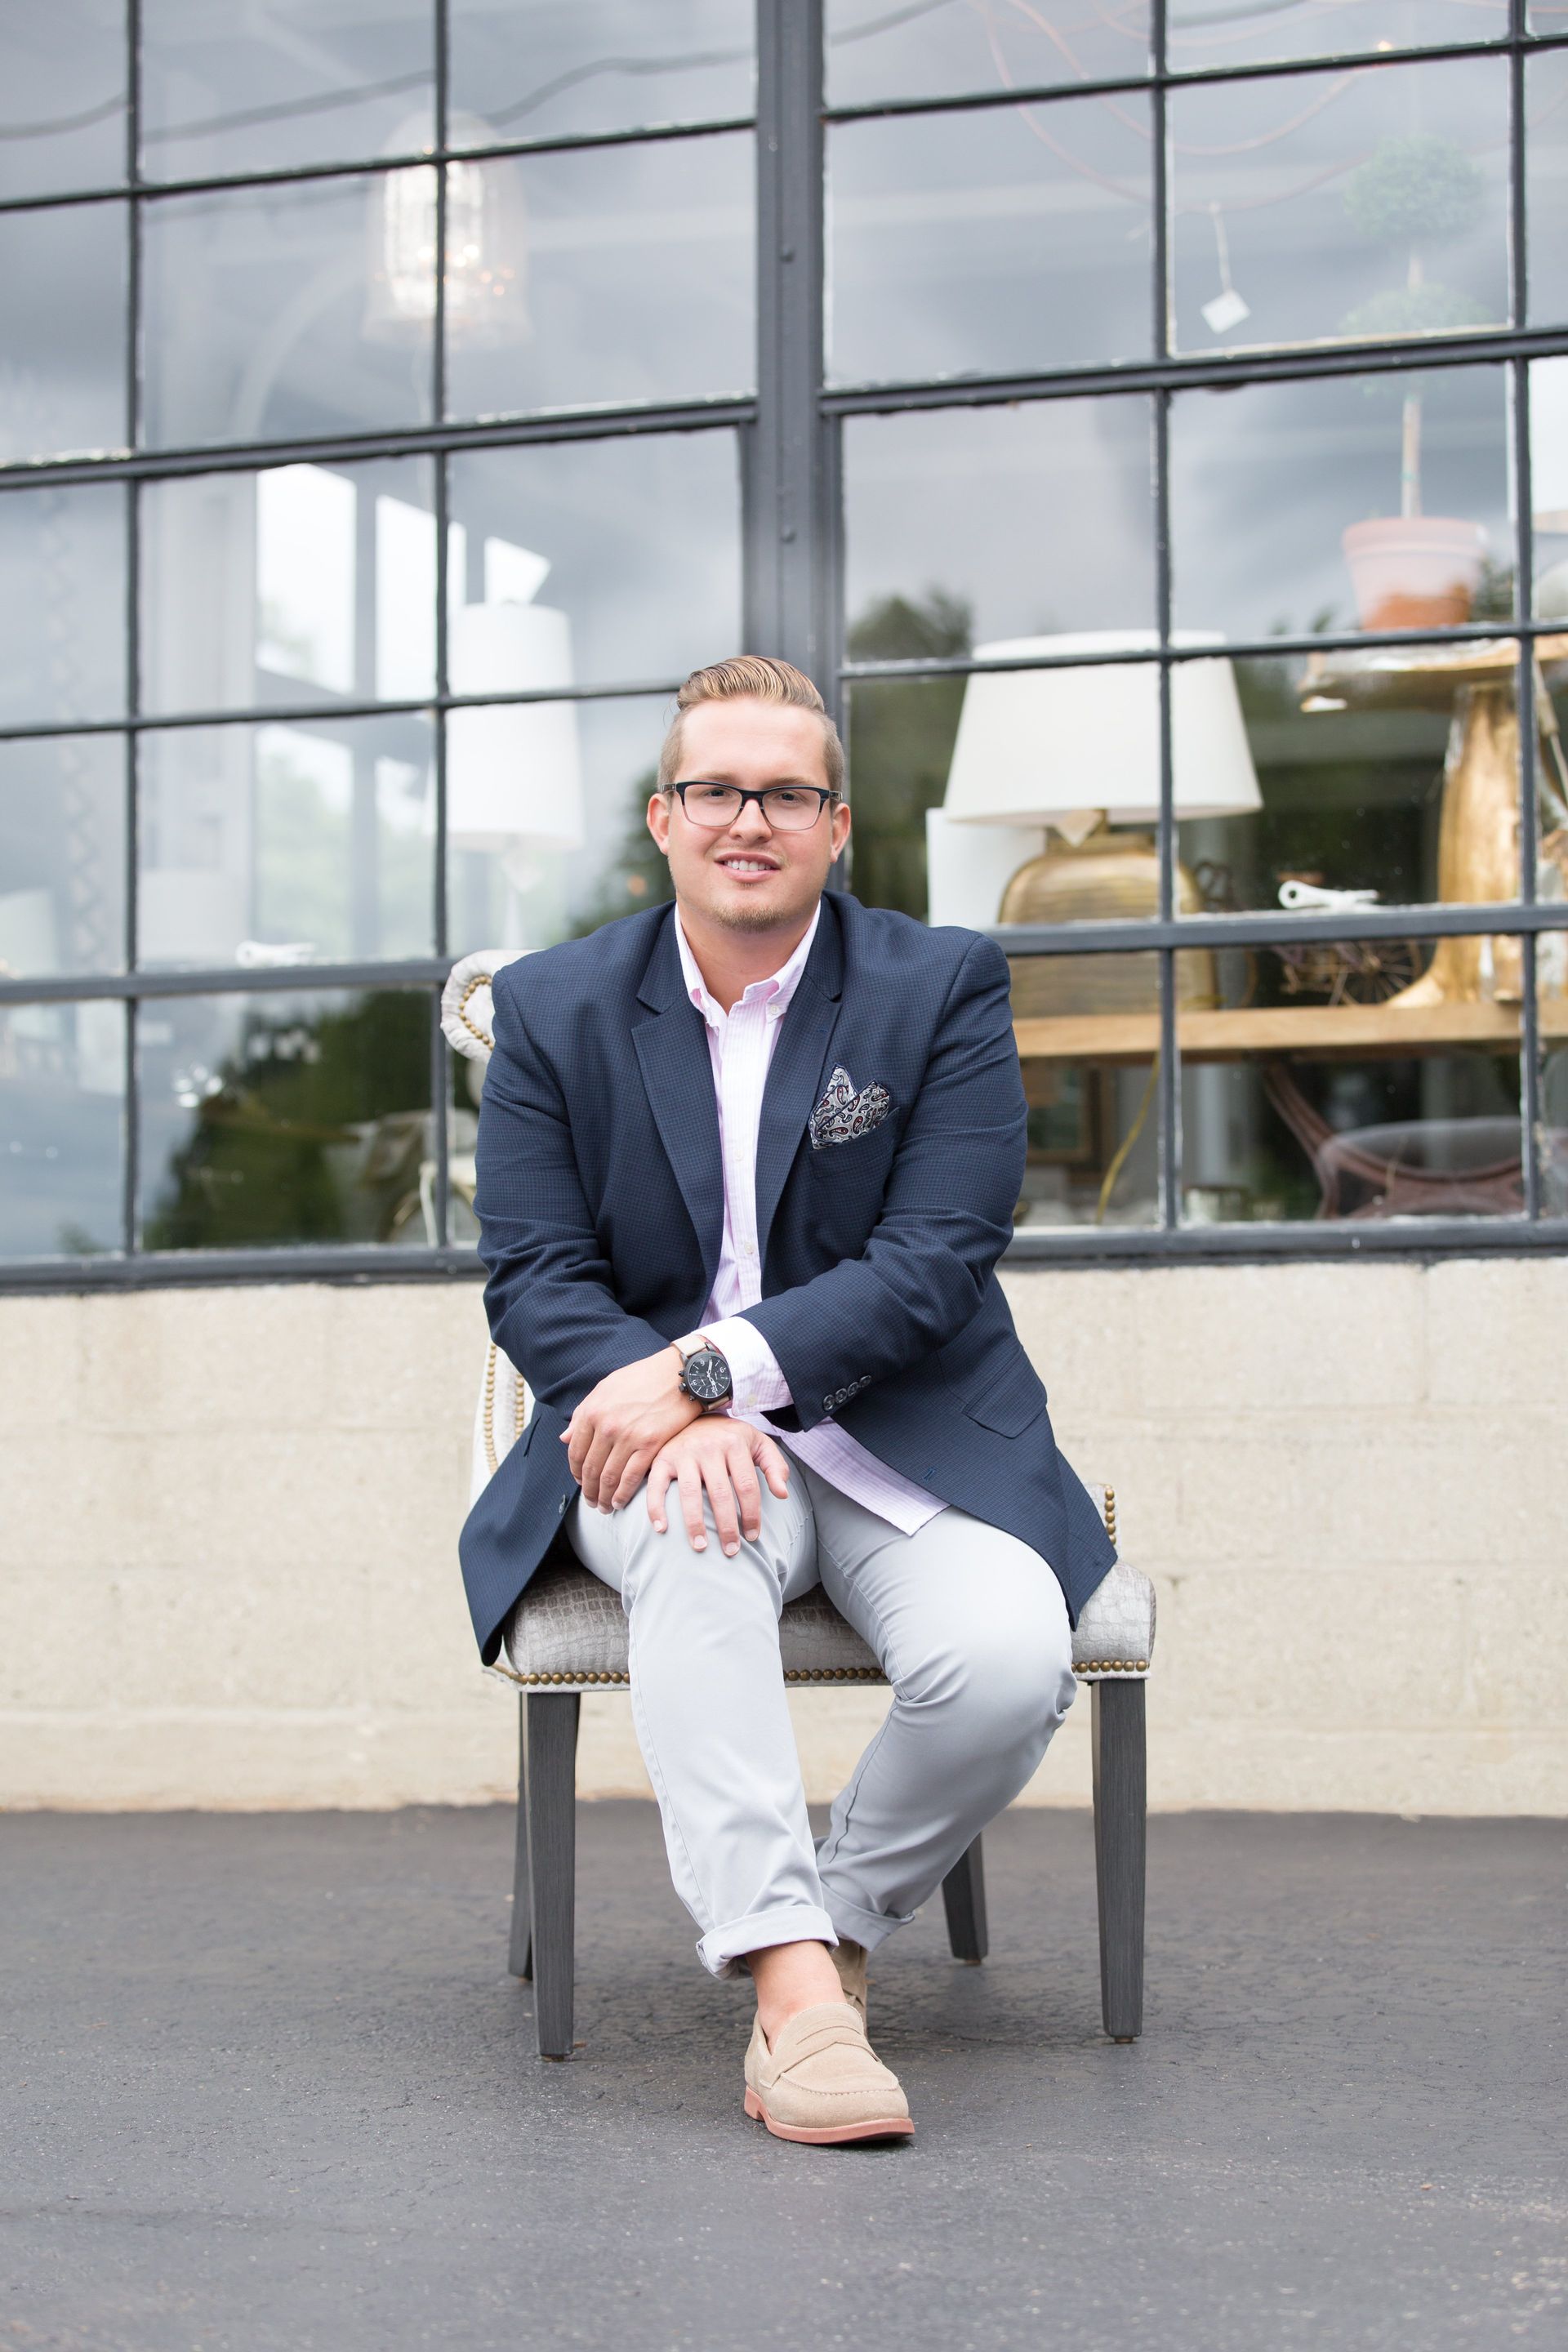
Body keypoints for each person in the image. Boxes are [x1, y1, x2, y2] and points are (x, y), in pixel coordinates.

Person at [460, 656, 1116, 2145]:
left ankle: (834, 1917)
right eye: (716, 790)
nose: (748, 820)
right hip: (660, 1451)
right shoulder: (554, 1009)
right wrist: (675, 1416)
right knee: (696, 1545)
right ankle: (797, 2000)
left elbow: (935, 1259)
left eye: (786, 794)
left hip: (897, 1428)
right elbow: (536, 1274)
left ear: (836, 825)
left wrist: (708, 1370)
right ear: (663, 817)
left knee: (1008, 1662)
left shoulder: (938, 987)